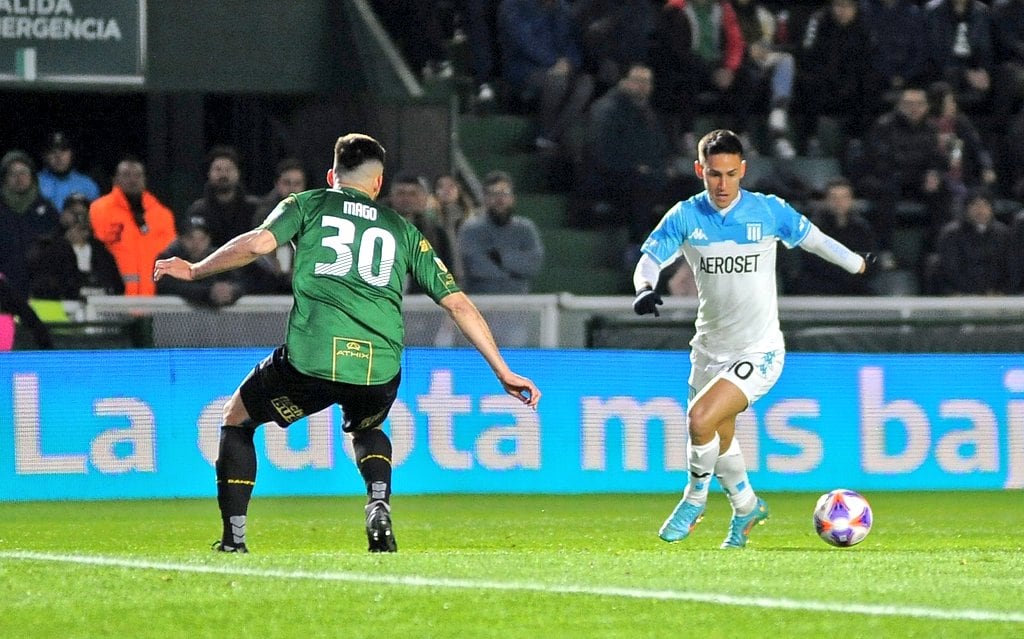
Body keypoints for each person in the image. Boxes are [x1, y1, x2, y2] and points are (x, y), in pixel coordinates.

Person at [153, 133, 541, 553]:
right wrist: (502, 370)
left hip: (312, 359)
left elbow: (256, 244)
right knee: (368, 426)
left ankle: (234, 540)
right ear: (378, 185)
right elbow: (458, 304)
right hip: (378, 366)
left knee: (237, 419)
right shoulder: (402, 229)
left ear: (331, 175)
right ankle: (378, 501)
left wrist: (194, 270)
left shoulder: (307, 204)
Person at [631, 129, 869, 549]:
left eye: (730, 174)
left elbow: (814, 239)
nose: (722, 185)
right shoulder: (685, 216)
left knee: (700, 419)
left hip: (759, 351)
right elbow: (649, 259)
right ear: (699, 171)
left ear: (743, 170)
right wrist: (645, 288)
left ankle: (694, 499)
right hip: (708, 349)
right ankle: (746, 506)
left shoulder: (768, 211)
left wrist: (855, 264)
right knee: (719, 435)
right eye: (713, 175)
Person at [497, 0, 595, 150]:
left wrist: (569, 63)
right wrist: (553, 63)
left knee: (586, 83)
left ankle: (549, 137)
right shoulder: (513, 6)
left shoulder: (563, 9)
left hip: (561, 69)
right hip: (525, 69)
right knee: (557, 81)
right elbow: (523, 41)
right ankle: (548, 135)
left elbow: (573, 43)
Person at [89, 157, 177, 296]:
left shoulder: (163, 214)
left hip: (157, 300)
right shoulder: (99, 209)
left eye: (137, 175)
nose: (132, 180)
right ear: (115, 179)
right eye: (126, 175)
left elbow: (171, 257)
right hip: (114, 299)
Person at [458, 170, 544, 295]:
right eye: (493, 194)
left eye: (505, 193)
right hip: (480, 304)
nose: (500, 199)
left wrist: (500, 258)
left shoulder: (526, 229)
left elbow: (533, 266)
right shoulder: (470, 229)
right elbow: (476, 268)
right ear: (485, 199)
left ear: (513, 198)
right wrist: (515, 270)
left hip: (519, 305)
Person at [791, 177, 879, 296]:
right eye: (834, 198)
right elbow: (810, 262)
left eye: (844, 197)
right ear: (826, 200)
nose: (839, 202)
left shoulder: (862, 228)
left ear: (851, 200)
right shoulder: (814, 228)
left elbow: (871, 259)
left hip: (855, 287)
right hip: (821, 287)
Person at [28, 192, 124, 299]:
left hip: (96, 311)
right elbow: (39, 279)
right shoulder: (46, 245)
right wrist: (64, 244)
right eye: (73, 213)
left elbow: (117, 287)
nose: (79, 218)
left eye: (84, 213)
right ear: (62, 215)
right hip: (60, 310)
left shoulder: (101, 251)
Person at [0, 149, 61, 298]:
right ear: (4, 178)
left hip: (42, 291)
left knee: (44, 321)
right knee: (5, 322)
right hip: (4, 291)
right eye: (12, 173)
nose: (19, 178)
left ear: (32, 176)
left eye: (23, 172)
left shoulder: (48, 210)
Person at [928, 188, 1013, 295]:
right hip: (959, 295)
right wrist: (968, 293)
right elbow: (950, 270)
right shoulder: (951, 234)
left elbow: (1009, 268)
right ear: (966, 208)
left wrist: (1000, 291)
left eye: (984, 205)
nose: (980, 210)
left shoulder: (1003, 234)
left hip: (994, 296)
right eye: (975, 205)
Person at [387, 173, 455, 292]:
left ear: (424, 198)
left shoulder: (437, 233)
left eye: (413, 194)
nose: (406, 199)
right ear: (391, 197)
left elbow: (448, 271)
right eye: (401, 193)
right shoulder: (376, 227)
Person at [155, 217, 244, 307]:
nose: (196, 244)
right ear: (180, 239)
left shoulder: (219, 258)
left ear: (209, 239)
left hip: (214, 320)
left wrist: (231, 290)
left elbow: (241, 281)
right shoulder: (167, 259)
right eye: (190, 238)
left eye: (202, 239)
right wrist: (208, 292)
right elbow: (167, 285)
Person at [184, 146, 259, 249]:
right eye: (218, 169)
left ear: (238, 173)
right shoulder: (198, 210)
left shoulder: (254, 208)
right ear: (209, 173)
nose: (223, 174)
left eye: (228, 169)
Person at [36, 131, 101, 211]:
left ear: (71, 154)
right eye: (52, 151)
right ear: (44, 156)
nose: (58, 156)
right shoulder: (34, 183)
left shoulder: (88, 185)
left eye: (63, 150)